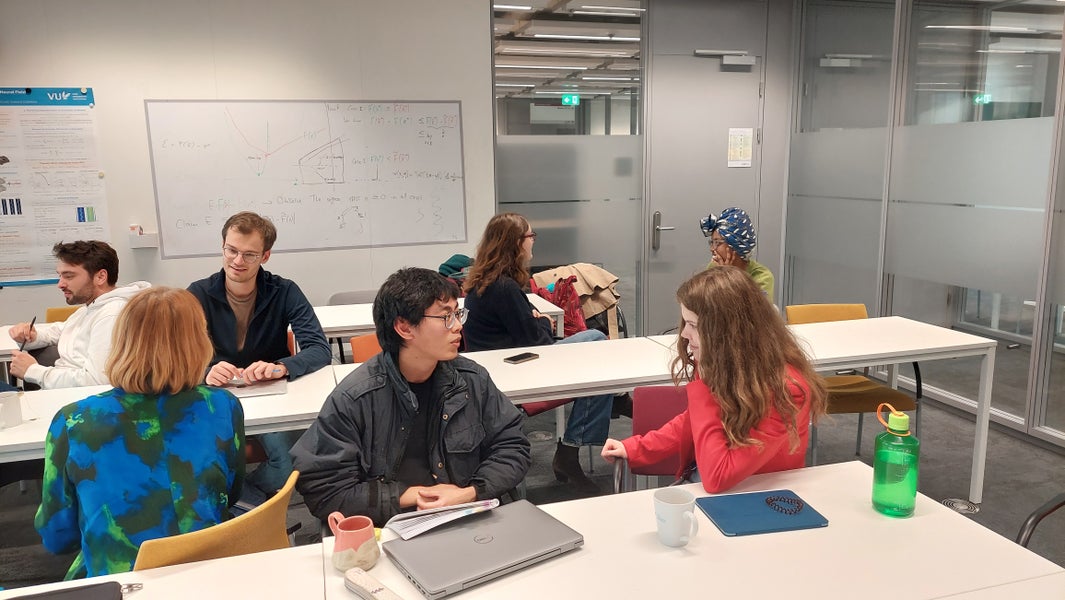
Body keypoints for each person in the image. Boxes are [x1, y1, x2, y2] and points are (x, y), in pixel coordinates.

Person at [291, 267, 531, 526]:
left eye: (457, 313)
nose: (458, 326)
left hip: (466, 518)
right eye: (446, 316)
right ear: (405, 328)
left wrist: (469, 493)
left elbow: (513, 446)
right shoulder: (356, 398)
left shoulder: (471, 380)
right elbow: (325, 489)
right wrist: (412, 495)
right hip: (393, 526)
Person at [35, 287, 245, 579]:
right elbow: (228, 494)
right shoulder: (221, 406)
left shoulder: (74, 421)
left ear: (120, 341)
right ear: (199, 343)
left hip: (121, 581)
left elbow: (57, 536)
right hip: (209, 574)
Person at [601, 267, 826, 493]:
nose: (684, 334)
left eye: (693, 325)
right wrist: (636, 448)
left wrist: (704, 387)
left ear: (728, 333)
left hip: (753, 496)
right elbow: (692, 421)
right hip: (717, 484)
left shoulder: (787, 391)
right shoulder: (731, 364)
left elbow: (717, 477)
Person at [462, 212, 612, 496]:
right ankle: (571, 449)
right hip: (519, 369)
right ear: (515, 243)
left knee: (598, 366)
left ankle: (610, 405)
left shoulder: (485, 281)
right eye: (531, 236)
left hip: (500, 366)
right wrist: (543, 322)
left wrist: (536, 321)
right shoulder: (505, 288)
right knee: (596, 343)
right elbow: (539, 341)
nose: (533, 241)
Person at [187, 211, 330, 500]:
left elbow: (319, 348)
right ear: (223, 247)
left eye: (249, 255)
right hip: (215, 395)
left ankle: (241, 502)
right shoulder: (198, 293)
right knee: (196, 465)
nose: (237, 261)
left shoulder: (284, 291)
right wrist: (205, 371)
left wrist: (281, 367)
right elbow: (176, 356)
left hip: (271, 396)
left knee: (288, 464)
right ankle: (239, 504)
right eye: (231, 250)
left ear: (265, 256)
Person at [8, 241, 150, 389]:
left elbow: (97, 381)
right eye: (60, 276)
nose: (60, 284)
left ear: (100, 277)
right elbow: (60, 331)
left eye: (68, 276)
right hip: (61, 392)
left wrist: (34, 371)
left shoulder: (111, 315)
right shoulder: (91, 307)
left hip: (77, 399)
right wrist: (31, 335)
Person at [700, 207, 775, 298]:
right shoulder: (714, 267)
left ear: (735, 246)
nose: (712, 249)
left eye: (717, 243)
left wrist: (728, 277)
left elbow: (752, 307)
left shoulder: (762, 277)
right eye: (712, 242)